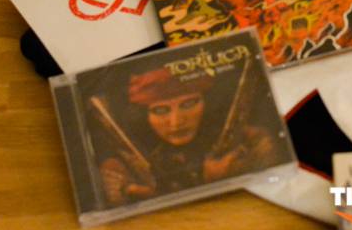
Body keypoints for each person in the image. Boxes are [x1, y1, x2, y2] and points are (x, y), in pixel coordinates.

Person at [97, 68, 274, 206]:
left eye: (189, 104)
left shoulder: (251, 141)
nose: (176, 123)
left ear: (207, 103)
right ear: (143, 116)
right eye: (160, 110)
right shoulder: (122, 164)